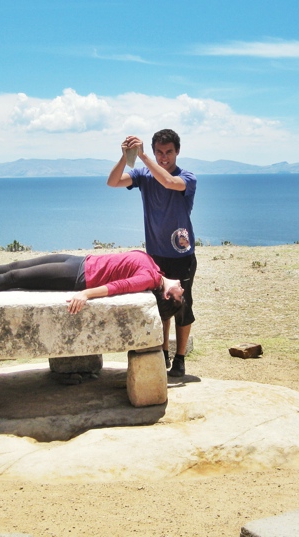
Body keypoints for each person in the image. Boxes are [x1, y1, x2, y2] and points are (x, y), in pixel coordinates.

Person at [107, 129, 196, 377]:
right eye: (159, 152)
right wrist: (126, 156)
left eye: (168, 152)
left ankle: (180, 358)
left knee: (182, 306)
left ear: (177, 151)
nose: (164, 157)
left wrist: (144, 157)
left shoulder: (187, 178)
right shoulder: (143, 176)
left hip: (182, 256)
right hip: (155, 256)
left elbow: (169, 182)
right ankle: (163, 353)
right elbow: (113, 181)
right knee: (160, 306)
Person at [0, 249, 184, 320]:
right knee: (18, 264)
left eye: (179, 295)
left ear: (167, 296)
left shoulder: (149, 279)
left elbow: (118, 286)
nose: (182, 290)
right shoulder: (157, 271)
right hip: (81, 261)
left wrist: (85, 294)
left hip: (78, 276)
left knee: (16, 278)